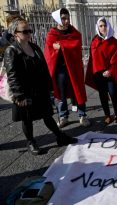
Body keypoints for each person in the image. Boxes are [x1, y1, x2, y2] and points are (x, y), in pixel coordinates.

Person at [4, 18, 77, 155]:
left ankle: (60, 136)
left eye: (29, 30)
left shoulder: (35, 47)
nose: (28, 33)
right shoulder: (11, 51)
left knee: (47, 115)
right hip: (24, 92)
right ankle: (31, 142)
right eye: (25, 31)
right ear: (15, 33)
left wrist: (49, 87)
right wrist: (19, 95)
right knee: (27, 119)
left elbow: (44, 68)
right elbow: (12, 75)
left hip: (40, 89)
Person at [44, 8, 90, 128]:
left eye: (67, 17)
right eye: (63, 18)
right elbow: (49, 49)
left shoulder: (75, 33)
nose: (66, 20)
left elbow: (74, 45)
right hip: (60, 69)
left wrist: (61, 46)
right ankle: (63, 116)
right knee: (61, 93)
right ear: (58, 19)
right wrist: (55, 48)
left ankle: (82, 115)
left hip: (74, 68)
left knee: (78, 91)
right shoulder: (52, 34)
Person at [85, 17, 117, 125]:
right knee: (102, 94)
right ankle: (107, 115)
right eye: (101, 26)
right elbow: (93, 58)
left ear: (108, 26)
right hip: (98, 73)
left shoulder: (114, 42)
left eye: (105, 25)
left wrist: (110, 71)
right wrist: (98, 71)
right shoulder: (94, 41)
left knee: (113, 93)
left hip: (110, 72)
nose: (103, 28)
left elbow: (116, 59)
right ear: (98, 27)